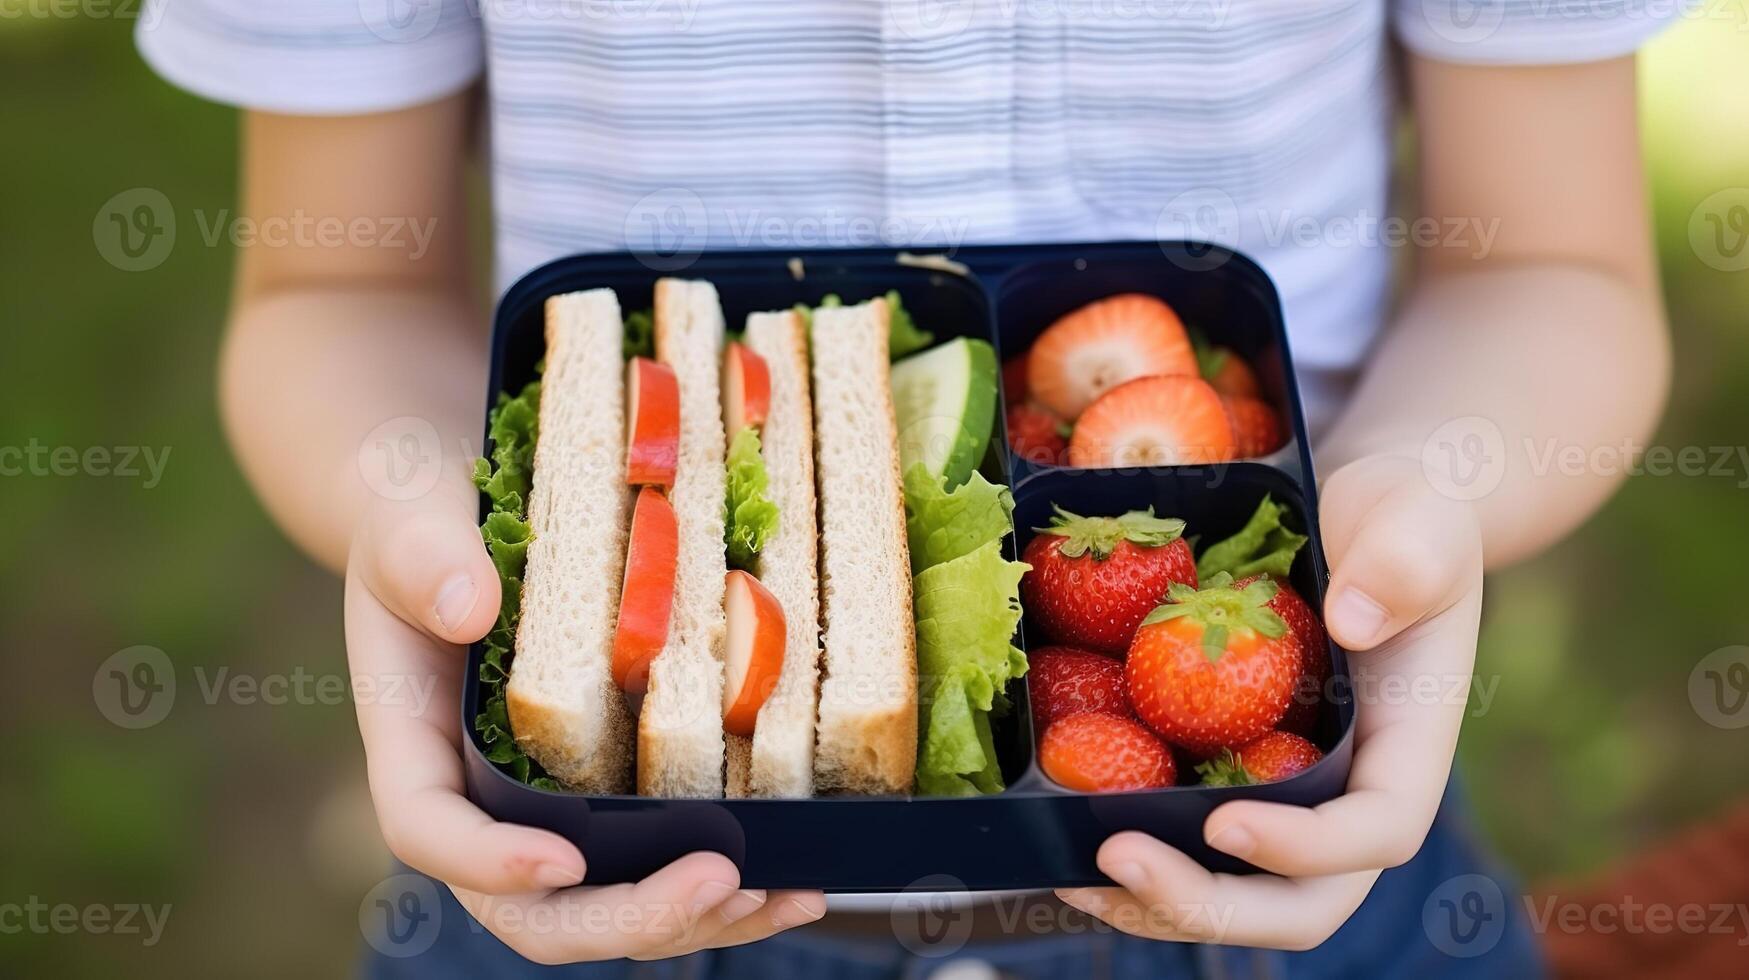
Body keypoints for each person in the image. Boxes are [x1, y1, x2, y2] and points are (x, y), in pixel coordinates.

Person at [136, 2, 1675, 976]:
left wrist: (1423, 493)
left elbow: (1548, 266)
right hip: (565, 904)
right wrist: (404, 505)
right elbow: (332, 295)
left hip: (1286, 861)